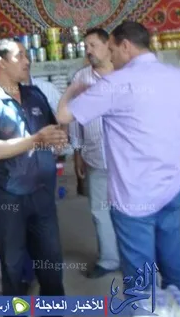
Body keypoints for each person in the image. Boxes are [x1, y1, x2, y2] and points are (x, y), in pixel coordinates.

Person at [57, 21, 180, 292]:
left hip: (132, 198)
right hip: (171, 189)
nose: (111, 57)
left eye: (112, 50)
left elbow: (64, 116)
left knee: (140, 278)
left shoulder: (115, 84)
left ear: (125, 46)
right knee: (172, 260)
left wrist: (73, 88)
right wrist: (175, 148)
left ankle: (146, 306)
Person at [0, 38, 68, 296]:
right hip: (7, 194)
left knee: (52, 264)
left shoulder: (34, 94)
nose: (27, 61)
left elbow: (51, 131)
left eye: (27, 55)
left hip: (42, 192)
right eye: (20, 56)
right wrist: (35, 140)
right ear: (1, 62)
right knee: (12, 268)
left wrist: (58, 139)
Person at [68, 28, 119, 279]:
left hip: (127, 158)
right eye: (86, 46)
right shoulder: (81, 78)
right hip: (95, 155)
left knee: (131, 209)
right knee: (99, 210)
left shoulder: (124, 73)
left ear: (108, 45)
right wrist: (77, 151)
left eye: (93, 45)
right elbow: (74, 118)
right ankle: (109, 259)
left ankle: (135, 256)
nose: (88, 50)